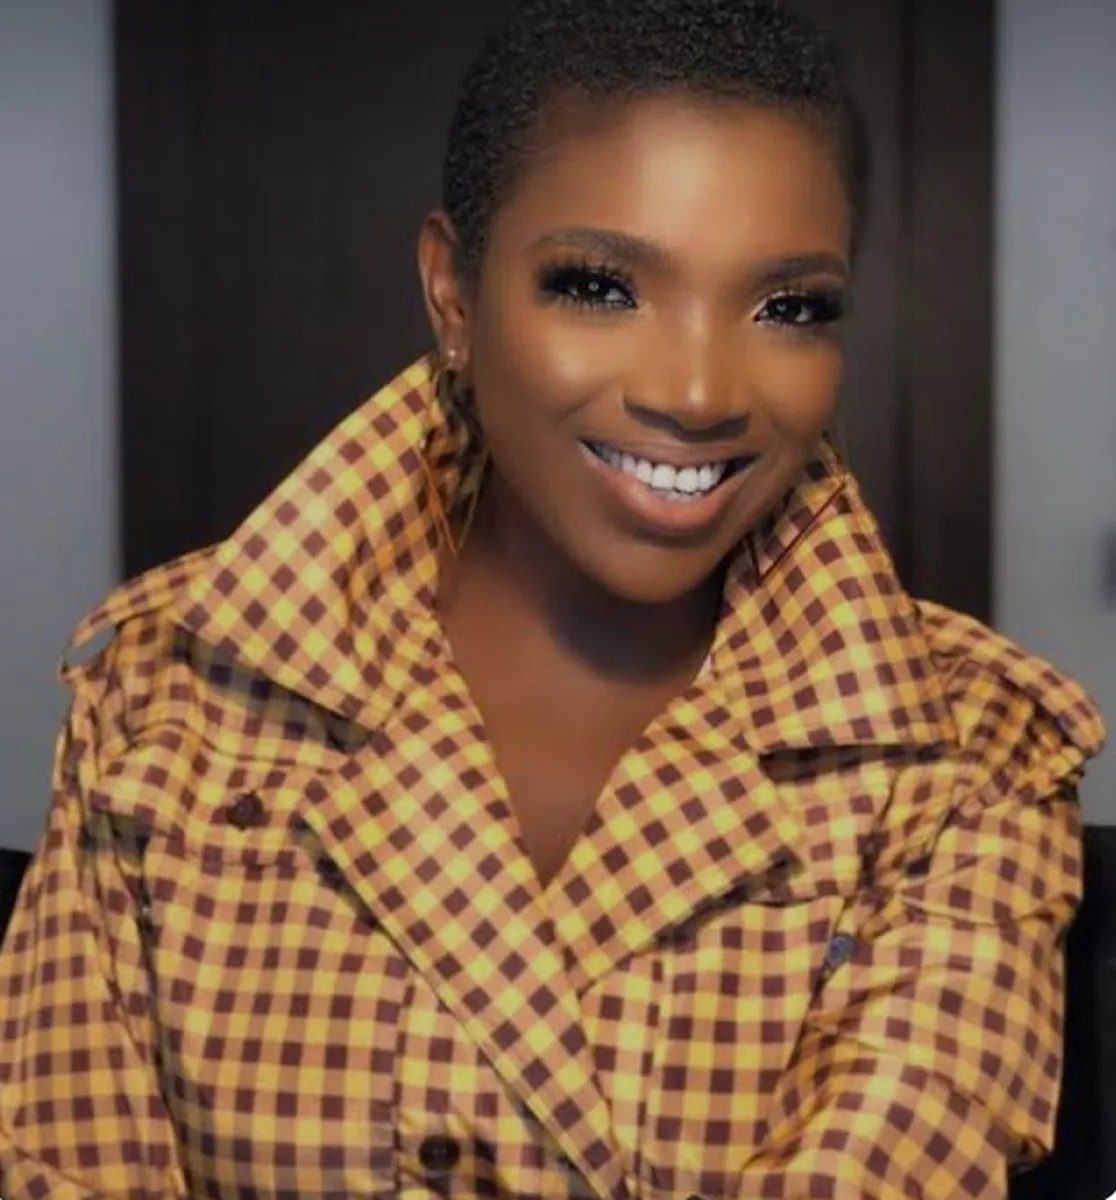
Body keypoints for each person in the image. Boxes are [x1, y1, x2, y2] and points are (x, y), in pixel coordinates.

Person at [0, 0, 1106, 1197]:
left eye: (788, 307)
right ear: (453, 294)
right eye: (600, 286)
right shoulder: (160, 699)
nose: (698, 392)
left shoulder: (969, 759)